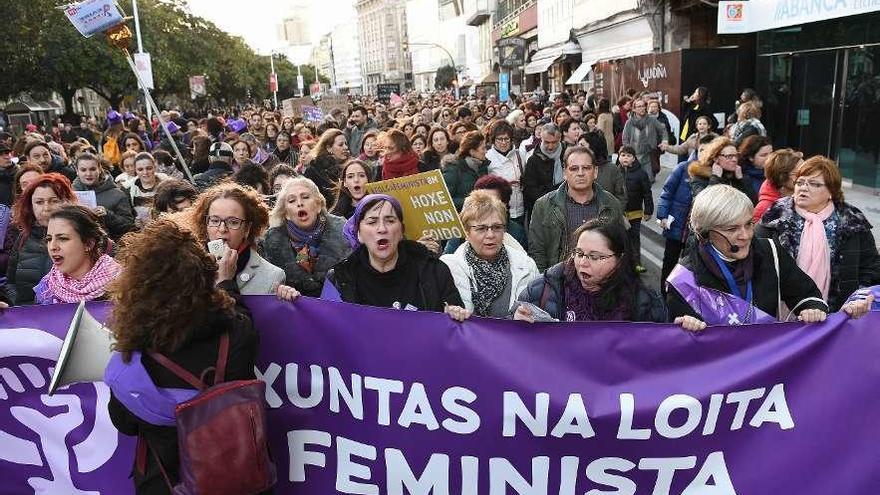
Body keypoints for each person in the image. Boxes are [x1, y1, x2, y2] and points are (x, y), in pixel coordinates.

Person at [105, 219, 267, 495]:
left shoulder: (134, 348)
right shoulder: (234, 334)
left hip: (160, 483)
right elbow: (243, 323)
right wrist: (226, 284)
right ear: (203, 277)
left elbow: (125, 424)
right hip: (231, 479)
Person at [667, 185, 829, 331]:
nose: (745, 236)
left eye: (748, 224)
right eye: (732, 229)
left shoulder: (771, 252)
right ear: (705, 233)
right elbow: (683, 349)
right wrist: (687, 329)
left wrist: (812, 308)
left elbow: (807, 294)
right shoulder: (684, 281)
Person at [756, 157, 880, 312]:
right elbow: (755, 259)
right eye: (800, 182)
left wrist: (860, 297)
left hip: (840, 315)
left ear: (831, 191)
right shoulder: (775, 215)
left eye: (814, 184)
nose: (803, 188)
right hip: (779, 315)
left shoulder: (852, 220)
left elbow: (871, 266)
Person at [322, 194, 470, 321]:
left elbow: (456, 333)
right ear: (358, 233)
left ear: (401, 231)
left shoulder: (434, 271)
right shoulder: (340, 278)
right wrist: (298, 304)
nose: (382, 229)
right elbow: (326, 329)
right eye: (372, 222)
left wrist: (456, 315)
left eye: (390, 221)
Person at [516, 218, 667, 322]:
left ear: (619, 259)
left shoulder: (646, 302)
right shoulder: (545, 288)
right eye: (579, 253)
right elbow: (507, 334)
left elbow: (664, 350)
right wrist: (516, 319)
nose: (583, 263)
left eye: (594, 257)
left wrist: (686, 330)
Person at [441, 190, 538, 317]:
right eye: (481, 228)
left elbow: (539, 315)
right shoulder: (447, 268)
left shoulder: (526, 266)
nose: (491, 235)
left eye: (497, 227)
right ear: (466, 232)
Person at [528, 146, 625, 272]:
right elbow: (537, 251)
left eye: (586, 168)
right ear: (564, 173)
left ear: (595, 171)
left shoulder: (611, 204)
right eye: (574, 169)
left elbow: (620, 248)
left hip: (601, 280)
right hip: (559, 281)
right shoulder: (544, 205)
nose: (580, 173)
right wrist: (546, 283)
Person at [187, 183, 286, 295]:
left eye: (233, 222)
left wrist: (225, 282)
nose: (222, 229)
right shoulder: (188, 267)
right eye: (215, 221)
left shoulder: (272, 276)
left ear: (247, 229)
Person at [263, 177, 350, 297]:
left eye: (305, 197)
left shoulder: (344, 232)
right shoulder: (271, 243)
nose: (299, 203)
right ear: (286, 213)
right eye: (292, 201)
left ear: (318, 205)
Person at [656, 135, 716, 295]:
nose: (705, 154)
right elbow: (667, 192)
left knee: (688, 267)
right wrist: (662, 214)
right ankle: (664, 294)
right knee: (669, 262)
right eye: (702, 149)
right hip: (676, 226)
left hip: (696, 233)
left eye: (709, 151)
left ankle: (681, 296)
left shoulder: (715, 175)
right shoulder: (683, 167)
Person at [6, 174, 76, 305]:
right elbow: (11, 283)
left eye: (54, 201)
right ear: (30, 206)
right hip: (27, 316)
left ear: (67, 202)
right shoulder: (23, 237)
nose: (46, 208)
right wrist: (18, 304)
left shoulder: (81, 237)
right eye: (39, 202)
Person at [34, 205, 122, 304]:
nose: (52, 247)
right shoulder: (47, 287)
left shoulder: (121, 284)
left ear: (89, 243)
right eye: (49, 239)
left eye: (63, 238)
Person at [72, 152, 135, 240]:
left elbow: (128, 225)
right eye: (83, 170)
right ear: (77, 171)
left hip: (108, 247)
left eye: (92, 169)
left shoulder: (118, 194)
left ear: (100, 169)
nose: (88, 174)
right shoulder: (70, 194)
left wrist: (108, 215)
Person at [688, 136, 756, 204]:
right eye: (729, 156)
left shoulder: (738, 176)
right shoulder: (700, 178)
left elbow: (753, 203)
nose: (734, 160)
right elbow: (705, 203)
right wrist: (715, 178)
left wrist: (741, 179)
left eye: (736, 155)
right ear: (715, 158)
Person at [617, 146, 653, 273]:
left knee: (634, 238)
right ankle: (621, 263)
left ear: (634, 158)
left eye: (628, 156)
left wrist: (648, 210)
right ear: (618, 157)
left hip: (635, 213)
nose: (625, 158)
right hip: (620, 214)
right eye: (623, 155)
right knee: (620, 238)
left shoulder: (641, 174)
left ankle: (636, 263)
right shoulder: (615, 172)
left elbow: (647, 193)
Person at [484, 121, 525, 224]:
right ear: (493, 140)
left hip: (519, 207)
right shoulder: (488, 157)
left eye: (506, 139)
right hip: (498, 210)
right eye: (499, 139)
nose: (503, 142)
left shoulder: (518, 154)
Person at [621, 98, 668, 181]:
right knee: (634, 181)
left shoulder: (652, 120)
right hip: (634, 157)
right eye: (639, 106)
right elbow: (625, 138)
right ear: (634, 109)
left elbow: (662, 130)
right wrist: (628, 153)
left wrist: (664, 141)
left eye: (643, 106)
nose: (642, 108)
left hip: (648, 156)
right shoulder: (629, 123)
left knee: (648, 180)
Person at [522, 123, 565, 212]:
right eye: (547, 142)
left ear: (560, 139)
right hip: (541, 209)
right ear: (541, 139)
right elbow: (530, 189)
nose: (550, 147)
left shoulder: (566, 156)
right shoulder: (533, 161)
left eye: (554, 142)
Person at [443, 130, 490, 211]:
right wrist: (469, 201)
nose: (486, 151)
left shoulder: (483, 166)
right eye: (483, 148)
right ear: (472, 151)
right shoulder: (454, 169)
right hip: (463, 218)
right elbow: (446, 200)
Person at [753, 148, 802, 222]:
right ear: (782, 176)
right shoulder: (765, 207)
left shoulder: (808, 199)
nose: (805, 177)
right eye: (799, 174)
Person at [305, 129, 350, 205]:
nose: (345, 147)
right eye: (340, 145)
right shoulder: (314, 170)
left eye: (346, 144)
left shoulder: (351, 166)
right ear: (329, 148)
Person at [128, 152, 165, 228]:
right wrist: (135, 223)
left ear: (155, 167)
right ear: (135, 170)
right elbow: (128, 215)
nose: (145, 172)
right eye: (140, 169)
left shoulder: (167, 185)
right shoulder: (129, 190)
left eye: (149, 168)